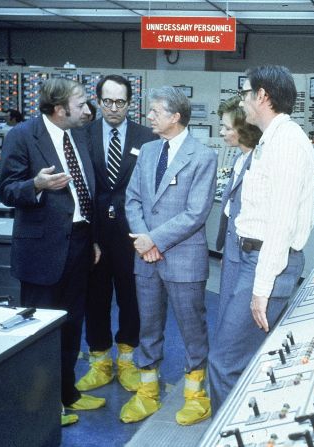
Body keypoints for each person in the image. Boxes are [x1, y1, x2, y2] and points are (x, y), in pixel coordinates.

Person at [208, 65, 314, 411]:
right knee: (239, 357)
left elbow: (281, 225)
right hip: (251, 259)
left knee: (223, 362)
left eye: (245, 93)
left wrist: (261, 288)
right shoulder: (269, 142)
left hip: (266, 264)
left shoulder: (287, 144)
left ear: (263, 96)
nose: (242, 101)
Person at [0, 78, 105, 427]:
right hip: (42, 251)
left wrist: (94, 238)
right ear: (59, 109)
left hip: (79, 241)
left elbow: (88, 192)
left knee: (73, 323)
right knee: (42, 329)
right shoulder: (23, 136)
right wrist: (37, 185)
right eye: (81, 104)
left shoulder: (80, 134)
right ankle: (42, 406)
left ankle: (67, 392)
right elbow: (8, 191)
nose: (88, 109)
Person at [121, 86, 217, 425]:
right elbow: (131, 199)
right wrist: (143, 238)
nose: (148, 117)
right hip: (145, 257)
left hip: (183, 258)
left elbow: (196, 213)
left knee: (193, 329)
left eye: (155, 112)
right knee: (148, 326)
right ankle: (148, 392)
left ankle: (196, 395)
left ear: (175, 117)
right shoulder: (147, 151)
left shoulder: (203, 156)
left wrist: (153, 240)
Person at [76, 75, 157, 394]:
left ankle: (126, 359)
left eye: (120, 102)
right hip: (93, 235)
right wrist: (89, 235)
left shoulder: (147, 136)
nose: (113, 108)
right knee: (95, 299)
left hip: (132, 234)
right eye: (107, 101)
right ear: (97, 101)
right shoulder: (82, 135)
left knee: (131, 298)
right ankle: (99, 361)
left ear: (129, 104)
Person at [207, 96, 262, 407]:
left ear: (244, 130)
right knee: (224, 318)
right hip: (232, 254)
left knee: (230, 341)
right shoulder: (241, 160)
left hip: (247, 259)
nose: (222, 131)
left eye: (227, 127)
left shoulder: (258, 163)